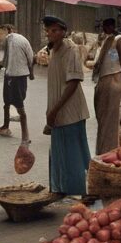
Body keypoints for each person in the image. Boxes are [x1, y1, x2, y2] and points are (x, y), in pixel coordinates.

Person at [41, 15, 92, 198]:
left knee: (74, 154)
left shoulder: (71, 50)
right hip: (57, 111)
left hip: (70, 111)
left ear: (63, 31)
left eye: (54, 30)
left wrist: (55, 110)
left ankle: (82, 190)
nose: (50, 34)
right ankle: (61, 188)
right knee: (59, 152)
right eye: (48, 31)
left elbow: (73, 83)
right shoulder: (53, 49)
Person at [90, 18, 121, 154]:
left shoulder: (119, 40)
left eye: (107, 26)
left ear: (112, 26)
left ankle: (111, 150)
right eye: (103, 26)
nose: (104, 28)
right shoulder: (107, 40)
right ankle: (102, 150)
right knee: (102, 120)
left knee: (110, 120)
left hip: (114, 81)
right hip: (103, 82)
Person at [0, 24, 34, 139]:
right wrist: (1, 63)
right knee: (7, 103)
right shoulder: (11, 40)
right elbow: (8, 59)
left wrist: (30, 72)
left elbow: (30, 58)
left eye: (0, 33)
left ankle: (25, 134)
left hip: (17, 76)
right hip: (11, 75)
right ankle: (6, 126)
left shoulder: (13, 39)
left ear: (9, 31)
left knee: (18, 105)